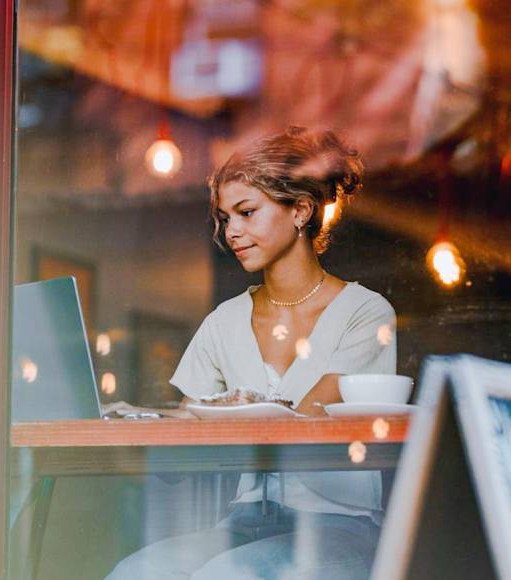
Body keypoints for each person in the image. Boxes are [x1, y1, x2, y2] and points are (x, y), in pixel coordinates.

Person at [106, 126, 396, 579]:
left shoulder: (364, 313)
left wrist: (210, 415)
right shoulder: (224, 321)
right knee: (132, 573)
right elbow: (187, 441)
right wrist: (136, 420)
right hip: (244, 525)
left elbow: (308, 421)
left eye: (246, 212)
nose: (232, 232)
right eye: (224, 218)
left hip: (340, 526)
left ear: (300, 210)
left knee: (227, 576)